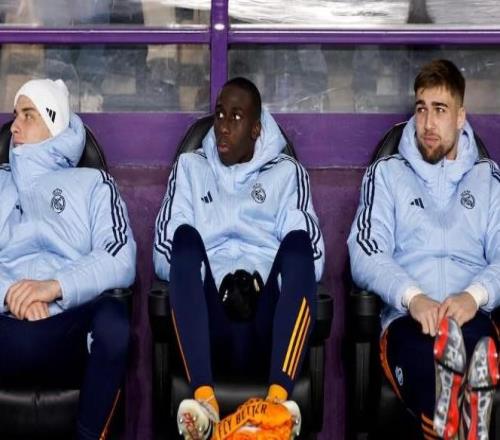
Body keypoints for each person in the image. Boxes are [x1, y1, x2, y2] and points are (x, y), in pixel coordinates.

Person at [153, 77, 324, 439]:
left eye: (236, 117)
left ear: (256, 129)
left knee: (298, 243)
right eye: (219, 115)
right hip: (209, 322)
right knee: (183, 239)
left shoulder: (287, 173)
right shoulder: (190, 168)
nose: (223, 126)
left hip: (266, 324)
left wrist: (258, 274)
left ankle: (276, 405)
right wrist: (215, 275)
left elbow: (314, 259)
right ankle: (204, 405)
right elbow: (162, 254)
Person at [348, 59, 500, 439]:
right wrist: (412, 297)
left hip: (471, 318)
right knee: (432, 378)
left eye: (440, 110)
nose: (428, 123)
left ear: (461, 116)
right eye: (421, 109)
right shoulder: (387, 174)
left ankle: (456, 414)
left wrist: (474, 296)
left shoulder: (488, 179)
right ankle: (461, 414)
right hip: (409, 322)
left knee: (472, 356)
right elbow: (365, 250)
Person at [0, 78, 136, 440]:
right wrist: (13, 293)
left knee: (114, 321)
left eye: (28, 115)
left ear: (54, 125)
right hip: (6, 324)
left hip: (66, 326)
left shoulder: (94, 184)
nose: (14, 127)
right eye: (15, 115)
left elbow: (120, 255)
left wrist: (52, 287)